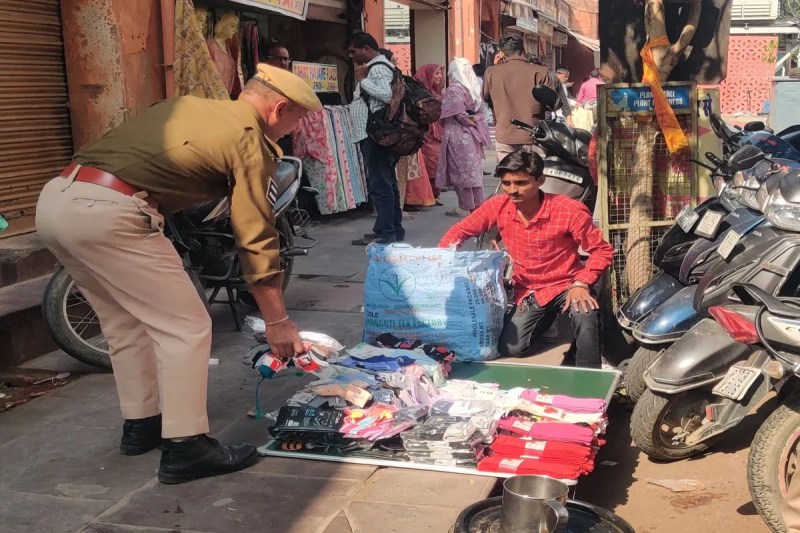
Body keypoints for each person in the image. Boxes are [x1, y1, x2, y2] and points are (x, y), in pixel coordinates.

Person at [34, 65, 321, 483]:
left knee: (124, 324)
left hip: (56, 201)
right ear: (278, 109)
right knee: (186, 327)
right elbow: (256, 236)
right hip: (110, 213)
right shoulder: (247, 139)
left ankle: (142, 425)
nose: (293, 130)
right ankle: (187, 447)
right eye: (296, 120)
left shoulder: (187, 105)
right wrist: (277, 320)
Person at [438, 151, 614, 367]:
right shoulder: (498, 205)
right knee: (512, 348)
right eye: (507, 183)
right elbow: (460, 231)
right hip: (529, 289)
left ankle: (589, 374)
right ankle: (547, 319)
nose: (513, 190)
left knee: (585, 315)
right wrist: (439, 258)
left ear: (540, 181)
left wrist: (582, 283)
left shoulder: (569, 210)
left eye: (521, 183)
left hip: (567, 284)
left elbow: (601, 250)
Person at [347, 32, 404, 246]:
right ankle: (390, 229)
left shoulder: (377, 68)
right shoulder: (376, 67)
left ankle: (387, 233)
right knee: (386, 182)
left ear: (367, 49)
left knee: (380, 185)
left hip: (375, 135)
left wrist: (362, 80)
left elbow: (388, 96)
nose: (351, 56)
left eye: (353, 51)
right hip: (375, 134)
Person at [436, 58, 492, 217]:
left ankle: (466, 207)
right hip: (474, 135)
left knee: (461, 173)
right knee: (473, 172)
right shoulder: (473, 88)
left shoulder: (454, 89)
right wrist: (474, 120)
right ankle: (477, 206)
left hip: (457, 134)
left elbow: (459, 115)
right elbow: (482, 113)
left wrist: (468, 120)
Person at [483, 33, 552, 162]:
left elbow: (486, 97)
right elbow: (552, 103)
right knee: (532, 172)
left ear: (501, 52)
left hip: (505, 135)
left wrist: (497, 67)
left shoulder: (491, 72)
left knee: (508, 172)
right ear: (523, 50)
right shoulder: (541, 72)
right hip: (533, 135)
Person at [415, 63, 446, 203]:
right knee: (428, 165)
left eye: (440, 73)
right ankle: (426, 196)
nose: (439, 76)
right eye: (436, 73)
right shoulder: (420, 92)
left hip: (437, 133)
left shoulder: (437, 92)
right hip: (426, 134)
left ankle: (434, 194)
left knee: (436, 164)